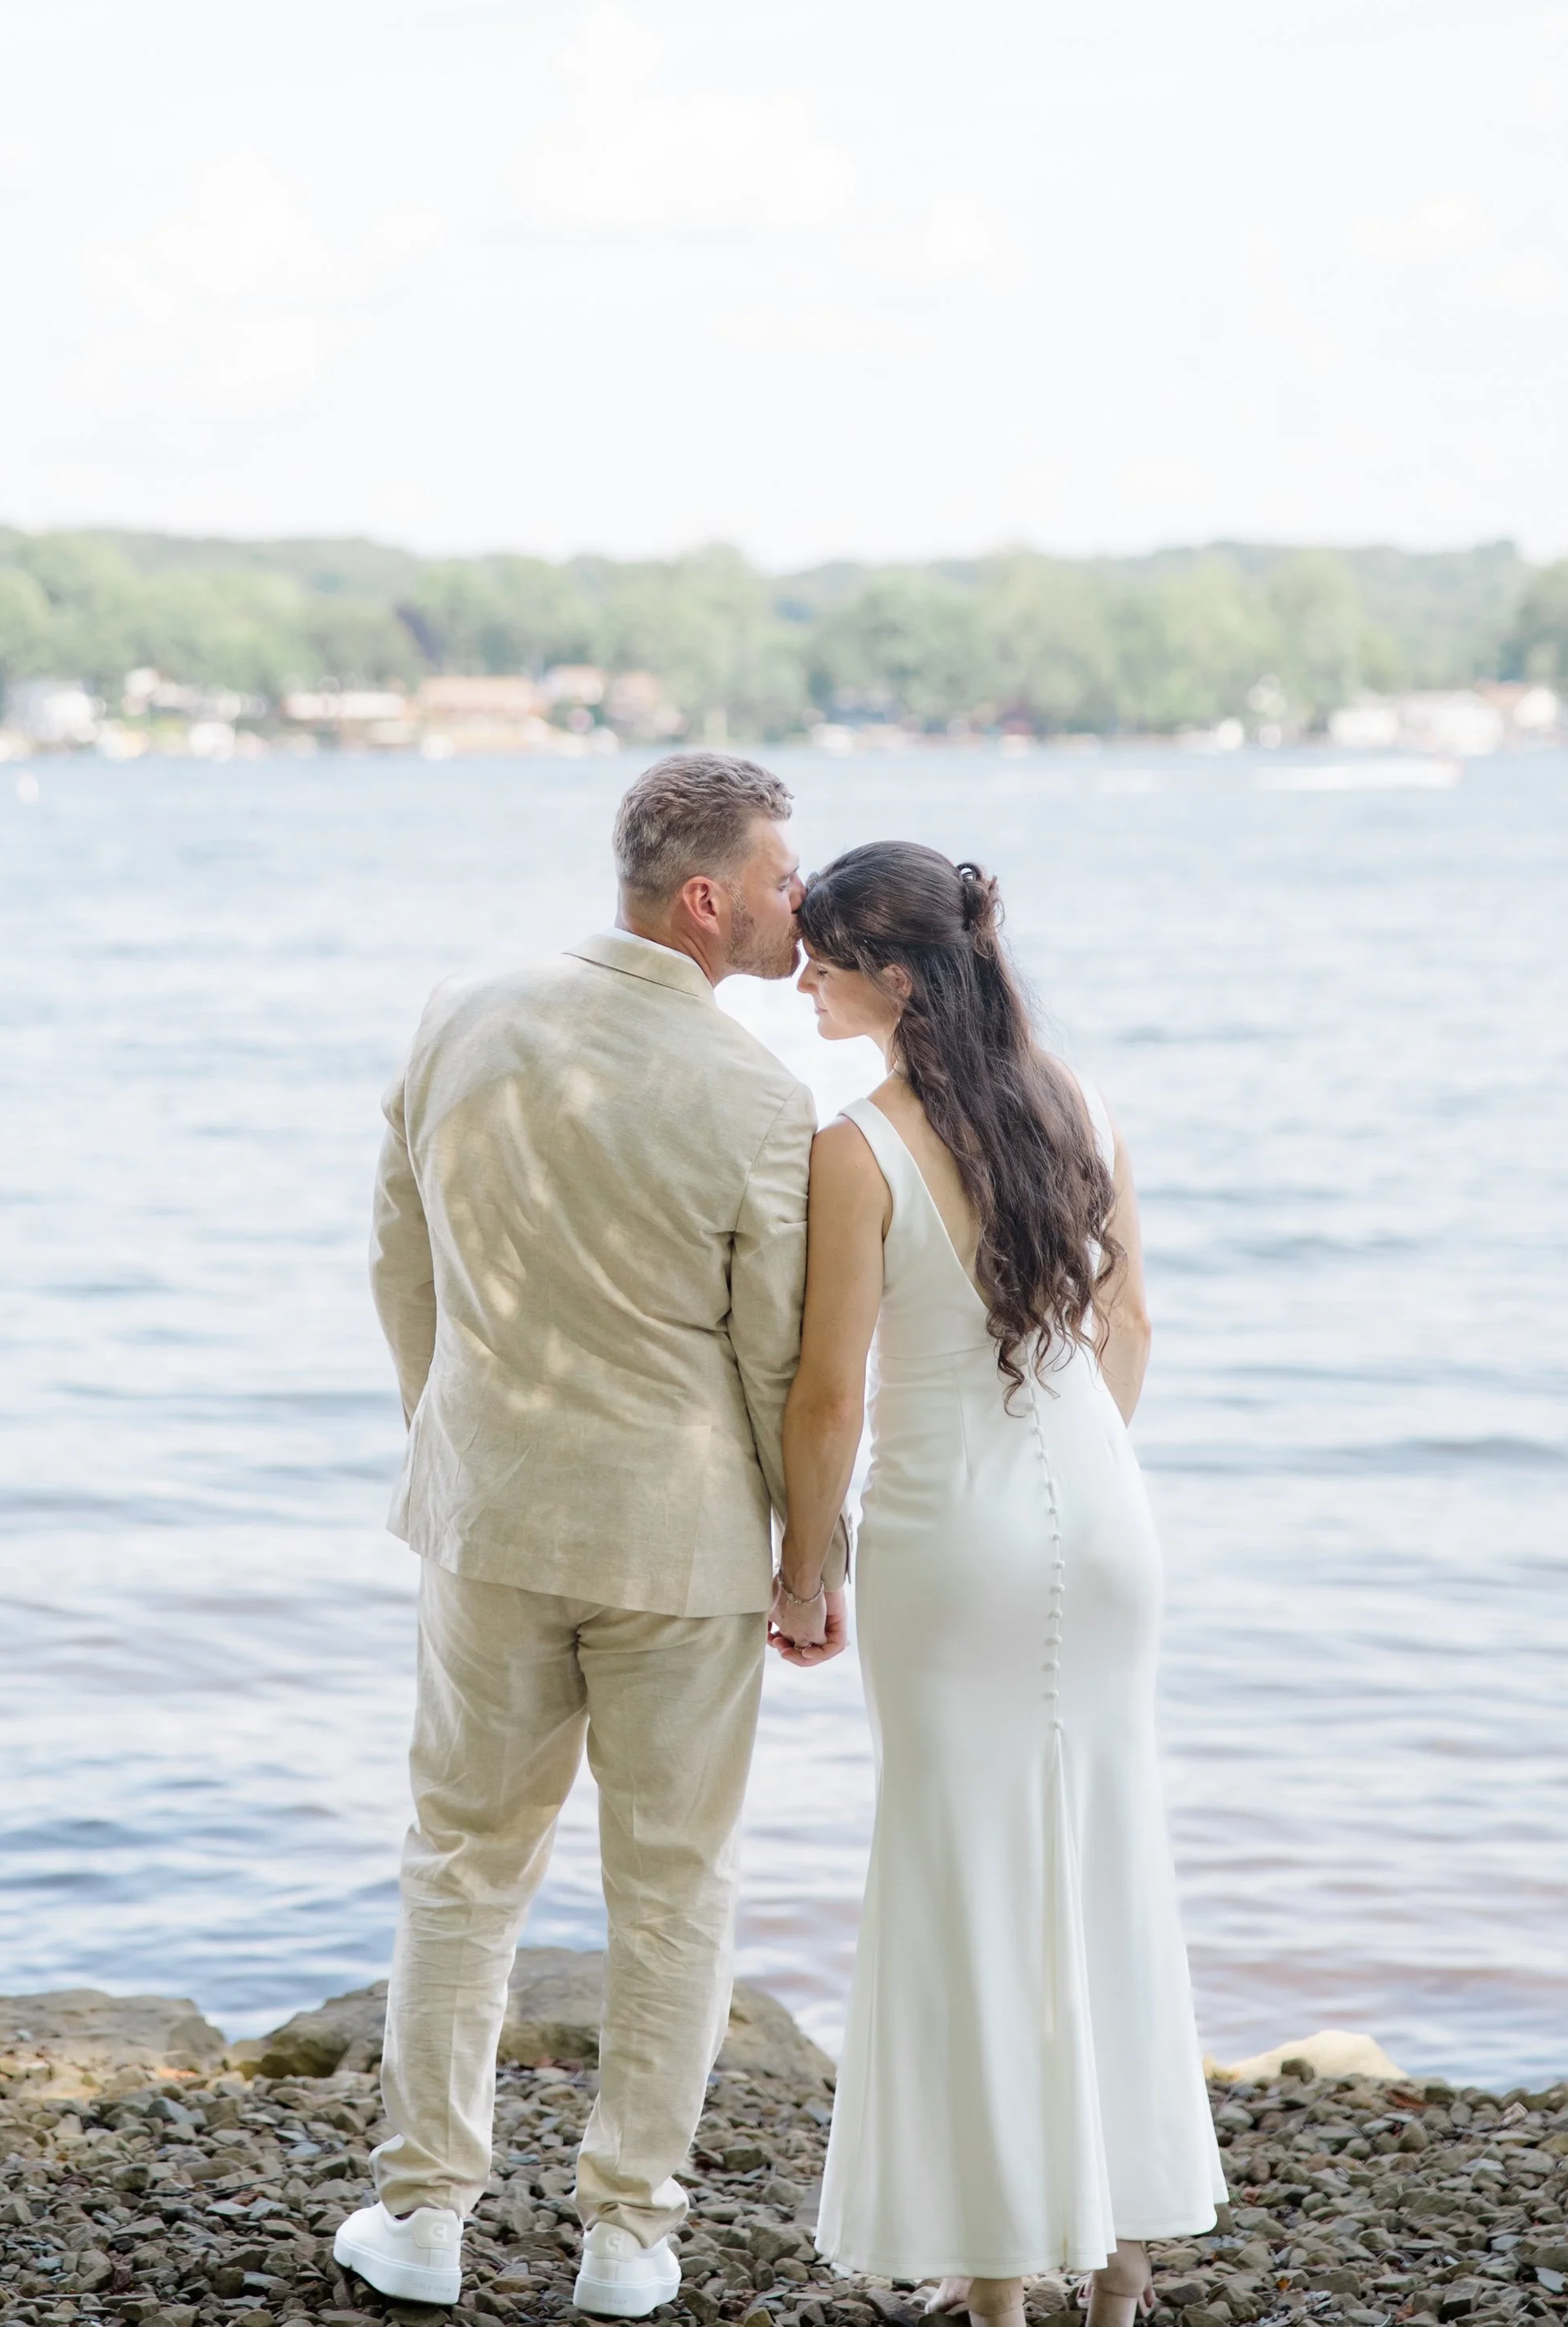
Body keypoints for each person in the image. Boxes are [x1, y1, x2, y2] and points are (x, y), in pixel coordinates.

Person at [335, 752, 848, 2318]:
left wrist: (455, 1434)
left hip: (486, 1515)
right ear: (708, 898)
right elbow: (778, 1364)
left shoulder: (459, 1012)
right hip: (678, 1544)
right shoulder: (759, 1098)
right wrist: (804, 1556)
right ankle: (628, 2237)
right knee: (675, 1880)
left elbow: (394, 1259)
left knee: (459, 1866)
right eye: (778, 879)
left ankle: (422, 2217)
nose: (795, 904)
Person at [771, 841, 1226, 2327]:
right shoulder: (1080, 1102)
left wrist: (802, 1560)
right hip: (1105, 1518)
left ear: (895, 976)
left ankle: (996, 2278)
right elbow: (1132, 1327)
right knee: (1102, 1860)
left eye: (823, 954)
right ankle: (1120, 2260)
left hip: (946, 1534)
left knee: (966, 1879)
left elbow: (830, 1397)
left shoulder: (861, 1145)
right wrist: (1073, 1476)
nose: (801, 976)